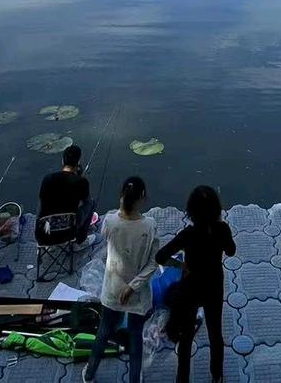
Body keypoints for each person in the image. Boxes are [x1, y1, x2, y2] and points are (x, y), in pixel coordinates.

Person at [157, 185, 237, 383]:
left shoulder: (188, 234)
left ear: (191, 211)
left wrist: (180, 264)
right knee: (215, 333)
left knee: (186, 338)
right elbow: (231, 251)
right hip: (214, 285)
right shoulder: (222, 229)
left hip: (191, 286)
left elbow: (160, 256)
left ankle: (182, 379)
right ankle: (216, 375)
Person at [82, 176, 157, 383]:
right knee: (135, 336)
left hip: (113, 289)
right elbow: (152, 263)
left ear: (121, 196)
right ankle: (134, 379)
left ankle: (89, 374)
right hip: (138, 293)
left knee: (104, 331)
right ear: (142, 197)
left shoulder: (110, 220)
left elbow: (106, 235)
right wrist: (133, 287)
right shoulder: (149, 225)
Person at [37, 144, 96, 247]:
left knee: (42, 204)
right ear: (78, 162)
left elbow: (40, 207)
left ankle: (48, 246)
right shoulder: (82, 182)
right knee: (90, 203)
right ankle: (80, 241)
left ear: (63, 161)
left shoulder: (47, 179)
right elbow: (86, 202)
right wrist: (80, 177)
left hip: (43, 234)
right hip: (68, 234)